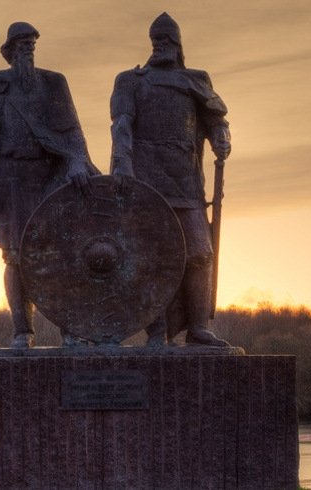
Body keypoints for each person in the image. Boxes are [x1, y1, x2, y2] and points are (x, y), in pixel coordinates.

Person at [0, 22, 99, 348]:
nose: (28, 50)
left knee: (58, 255)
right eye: (21, 45)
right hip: (10, 180)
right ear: (9, 51)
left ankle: (70, 330)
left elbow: (73, 134)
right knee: (15, 257)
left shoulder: (54, 84)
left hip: (49, 178)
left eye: (31, 44)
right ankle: (22, 331)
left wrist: (78, 161)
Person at [110, 12, 231, 347]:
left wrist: (222, 137)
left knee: (200, 253)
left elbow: (216, 120)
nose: (159, 46)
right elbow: (121, 126)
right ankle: (156, 331)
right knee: (153, 256)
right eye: (155, 40)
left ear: (177, 45)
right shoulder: (131, 80)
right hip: (147, 182)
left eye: (165, 40)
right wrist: (122, 166)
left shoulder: (196, 79)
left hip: (186, 182)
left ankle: (198, 327)